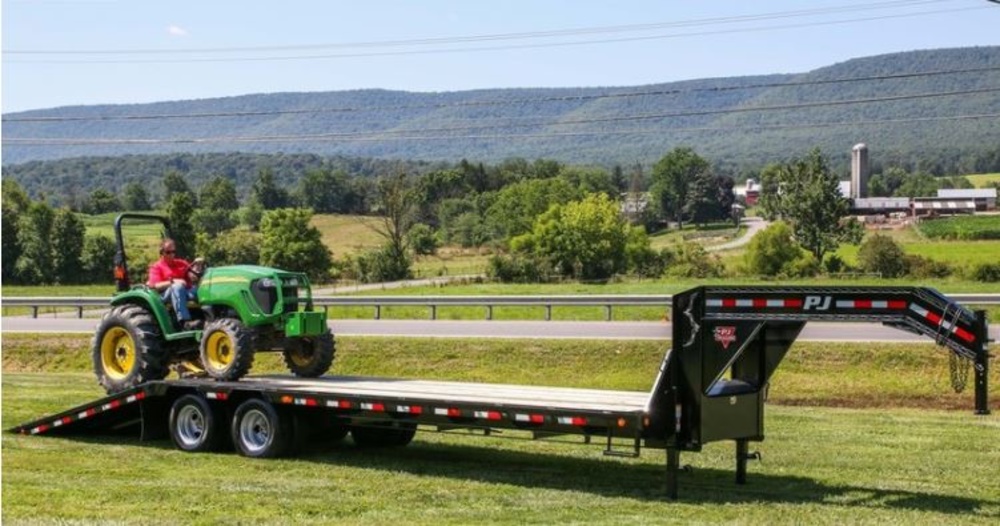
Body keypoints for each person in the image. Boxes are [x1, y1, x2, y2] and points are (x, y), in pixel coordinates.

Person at [147, 239, 203, 330]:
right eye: (168, 252)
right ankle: (184, 322)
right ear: (162, 253)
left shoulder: (181, 263)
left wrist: (198, 267)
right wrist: (173, 282)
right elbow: (154, 285)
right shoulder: (156, 267)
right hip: (165, 294)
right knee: (177, 287)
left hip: (186, 291)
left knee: (202, 289)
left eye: (173, 251)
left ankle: (211, 315)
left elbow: (193, 275)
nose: (172, 254)